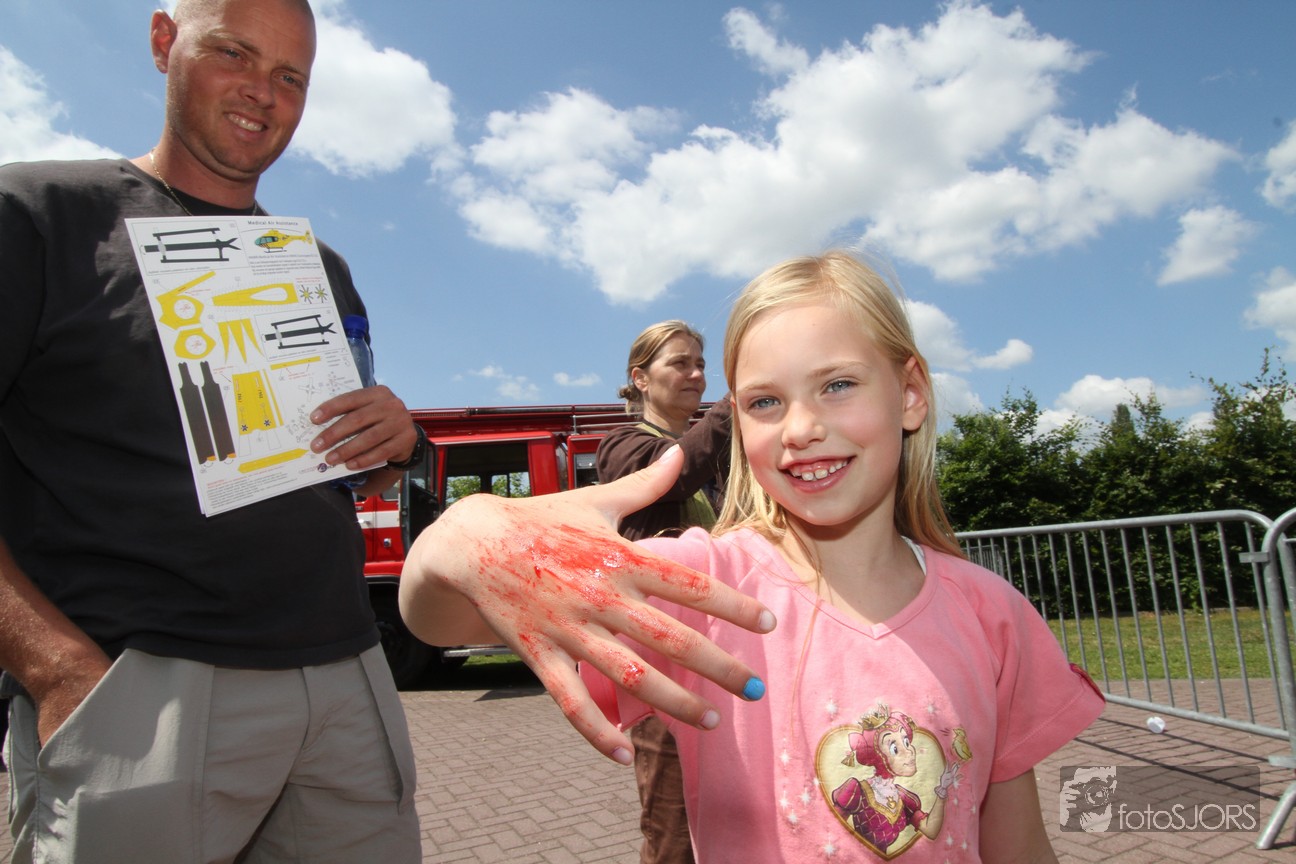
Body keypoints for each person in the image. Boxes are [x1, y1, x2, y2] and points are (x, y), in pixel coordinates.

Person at [402, 251, 1106, 861]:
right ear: (735, 421)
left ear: (911, 394)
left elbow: (1022, 846)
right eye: (765, 402)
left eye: (837, 385)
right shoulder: (702, 586)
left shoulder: (993, 615)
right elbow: (436, 620)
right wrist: (466, 532)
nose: (801, 428)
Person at [0, 1, 425, 860]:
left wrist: (394, 441)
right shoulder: (37, 213)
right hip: (141, 685)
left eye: (291, 76)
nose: (263, 92)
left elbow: (347, 471)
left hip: (344, 678)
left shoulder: (318, 266)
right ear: (165, 43)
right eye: (234, 53)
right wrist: (55, 668)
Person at [597, 321, 732, 864]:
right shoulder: (623, 446)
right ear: (640, 378)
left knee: (731, 808)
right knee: (673, 825)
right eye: (680, 363)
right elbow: (669, 475)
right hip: (661, 659)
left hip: (722, 653)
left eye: (701, 364)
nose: (696, 374)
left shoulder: (714, 456)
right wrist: (738, 402)